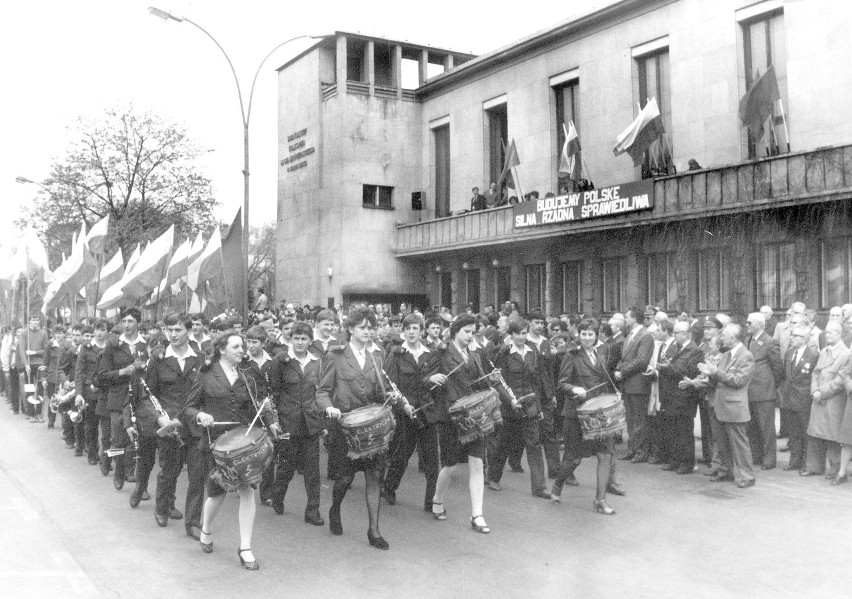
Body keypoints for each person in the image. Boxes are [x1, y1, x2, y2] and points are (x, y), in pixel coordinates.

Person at [183, 331, 280, 570]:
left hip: (244, 443)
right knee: (217, 494)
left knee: (248, 491)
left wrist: (271, 420)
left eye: (243, 346)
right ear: (222, 350)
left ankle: (245, 547)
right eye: (236, 346)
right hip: (218, 445)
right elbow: (188, 408)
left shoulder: (248, 375)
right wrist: (200, 415)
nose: (241, 350)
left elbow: (260, 402)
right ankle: (206, 529)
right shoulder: (206, 374)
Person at [315, 307, 397, 550]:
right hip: (345, 428)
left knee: (374, 477)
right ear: (350, 329)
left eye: (371, 327)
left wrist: (389, 395)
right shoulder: (336, 355)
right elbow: (322, 391)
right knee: (345, 479)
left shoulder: (377, 357)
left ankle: (374, 530)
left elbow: (379, 390)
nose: (368, 332)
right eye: (363, 327)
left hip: (371, 428)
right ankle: (335, 508)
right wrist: (329, 408)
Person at [431, 314, 498, 534]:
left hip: (474, 416)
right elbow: (425, 377)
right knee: (450, 466)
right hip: (450, 417)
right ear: (455, 331)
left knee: (477, 463)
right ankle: (437, 499)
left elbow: (480, 382)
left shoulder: (475, 355)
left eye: (473, 332)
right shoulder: (441, 352)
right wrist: (431, 379)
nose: (470, 336)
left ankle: (477, 514)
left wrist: (492, 379)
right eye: (466, 331)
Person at [552, 318, 622, 514]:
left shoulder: (602, 352)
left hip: (599, 414)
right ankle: (558, 484)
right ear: (579, 335)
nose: (587, 338)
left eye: (591, 334)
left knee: (606, 455)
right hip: (576, 414)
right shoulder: (571, 355)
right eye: (584, 334)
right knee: (573, 459)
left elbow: (605, 380)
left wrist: (614, 393)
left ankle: (600, 500)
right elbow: (562, 384)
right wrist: (575, 388)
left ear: (596, 335)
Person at [144, 314, 202, 530]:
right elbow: (148, 395)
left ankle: (193, 522)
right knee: (169, 471)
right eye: (170, 330)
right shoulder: (158, 360)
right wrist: (160, 419)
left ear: (189, 331)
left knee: (197, 476)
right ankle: (162, 507)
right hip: (169, 426)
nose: (173, 334)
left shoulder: (200, 359)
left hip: (195, 426)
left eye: (178, 330)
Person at [266, 322, 325, 525]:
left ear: (310, 340)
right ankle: (278, 495)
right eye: (296, 338)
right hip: (287, 422)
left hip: (310, 422)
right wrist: (274, 421)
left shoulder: (317, 362)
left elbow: (321, 393)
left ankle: (313, 511)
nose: (300, 342)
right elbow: (273, 393)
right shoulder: (280, 362)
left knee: (312, 470)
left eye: (304, 339)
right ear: (290, 340)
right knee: (286, 465)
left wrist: (322, 421)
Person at [383, 314, 441, 511]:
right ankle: (389, 487)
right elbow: (390, 386)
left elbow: (434, 385)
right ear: (403, 331)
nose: (411, 332)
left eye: (415, 328)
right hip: (405, 413)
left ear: (421, 330)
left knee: (433, 460)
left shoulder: (431, 354)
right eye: (407, 328)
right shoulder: (396, 354)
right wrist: (402, 406)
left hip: (427, 412)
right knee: (401, 456)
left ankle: (431, 501)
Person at [488, 318, 549, 498]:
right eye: (517, 334)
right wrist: (510, 401)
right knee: (504, 443)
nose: (521, 337)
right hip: (510, 406)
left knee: (534, 445)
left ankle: (539, 488)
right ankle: (493, 477)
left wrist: (539, 407)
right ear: (511, 334)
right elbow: (498, 381)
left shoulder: (533, 352)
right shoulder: (503, 353)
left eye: (524, 333)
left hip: (529, 405)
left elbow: (536, 380)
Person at [697, 323, 756, 488]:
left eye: (724, 335)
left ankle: (747, 476)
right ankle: (726, 471)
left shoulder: (746, 356)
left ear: (733, 337)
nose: (721, 338)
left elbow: (738, 381)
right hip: (721, 405)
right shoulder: (726, 355)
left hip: (735, 407)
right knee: (722, 442)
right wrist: (708, 374)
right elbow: (719, 378)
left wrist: (715, 371)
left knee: (739, 443)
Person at [96, 308, 148, 490]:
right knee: (117, 438)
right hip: (118, 397)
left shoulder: (145, 344)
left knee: (139, 438)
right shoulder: (114, 344)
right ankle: (118, 469)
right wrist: (122, 371)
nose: (127, 325)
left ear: (138, 323)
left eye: (131, 321)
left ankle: (132, 472)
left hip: (140, 398)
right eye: (124, 321)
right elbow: (102, 375)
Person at [802, 321, 849, 479]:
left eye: (831, 332)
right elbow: (815, 373)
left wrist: (820, 392)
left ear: (840, 334)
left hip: (833, 401)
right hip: (819, 398)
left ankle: (835, 468)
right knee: (815, 434)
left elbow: (840, 381)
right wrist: (814, 390)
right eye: (826, 332)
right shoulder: (825, 351)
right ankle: (814, 466)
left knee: (833, 436)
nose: (827, 335)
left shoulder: (846, 354)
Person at [657, 321, 703, 474]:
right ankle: (674, 459)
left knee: (684, 430)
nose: (674, 335)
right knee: (672, 429)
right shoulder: (674, 346)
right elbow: (666, 361)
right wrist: (665, 366)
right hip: (670, 394)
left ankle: (687, 462)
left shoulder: (695, 350)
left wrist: (668, 367)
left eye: (677, 332)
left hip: (685, 396)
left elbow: (688, 370)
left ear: (686, 334)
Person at [614, 307, 654, 462]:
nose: (624, 319)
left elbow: (642, 360)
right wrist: (619, 368)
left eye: (626, 317)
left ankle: (641, 452)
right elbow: (625, 358)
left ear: (634, 319)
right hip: (628, 384)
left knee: (640, 420)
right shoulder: (629, 335)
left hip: (638, 384)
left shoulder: (645, 336)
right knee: (630, 419)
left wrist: (622, 372)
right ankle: (632, 448)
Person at [744, 313, 783, 470]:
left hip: (764, 391)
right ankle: (757, 456)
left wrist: (770, 384)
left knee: (766, 428)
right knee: (752, 426)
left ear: (760, 324)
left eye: (750, 323)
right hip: (749, 391)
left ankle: (769, 459)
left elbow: (778, 368)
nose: (747, 325)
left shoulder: (770, 341)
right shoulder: (747, 340)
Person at [778, 326, 818, 473]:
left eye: (796, 335)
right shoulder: (789, 353)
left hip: (804, 399)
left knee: (805, 432)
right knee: (793, 432)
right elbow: (785, 375)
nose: (792, 338)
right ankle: (795, 461)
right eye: (792, 335)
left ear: (804, 339)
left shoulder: (813, 355)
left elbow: (813, 377)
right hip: (789, 398)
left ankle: (807, 463)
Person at [74, 323, 107, 466]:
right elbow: (79, 372)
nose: (99, 333)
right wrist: (79, 393)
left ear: (107, 331)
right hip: (90, 393)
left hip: (106, 392)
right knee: (91, 425)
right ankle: (92, 453)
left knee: (107, 429)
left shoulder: (110, 348)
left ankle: (106, 458)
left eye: (103, 330)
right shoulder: (86, 348)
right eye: (97, 330)